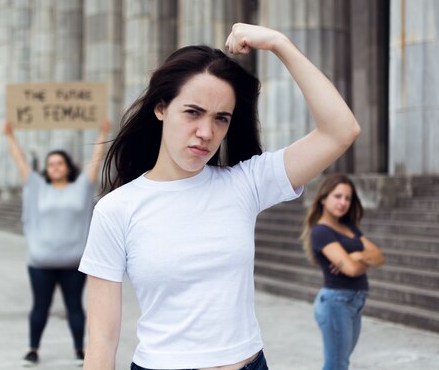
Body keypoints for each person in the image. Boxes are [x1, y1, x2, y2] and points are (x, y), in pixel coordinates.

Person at [78, 22, 362, 370]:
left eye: (221, 118)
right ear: (161, 108)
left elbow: (340, 130)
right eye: (193, 112)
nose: (206, 132)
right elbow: (102, 341)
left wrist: (280, 44)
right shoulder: (116, 209)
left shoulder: (244, 183)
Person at [3, 120, 111, 366]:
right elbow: (20, 162)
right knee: (40, 306)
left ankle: (78, 349)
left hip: (73, 261)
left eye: (59, 162)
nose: (55, 167)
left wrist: (103, 132)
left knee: (75, 306)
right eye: (51, 164)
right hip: (41, 261)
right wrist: (10, 136)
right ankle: (33, 349)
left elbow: (95, 161)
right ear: (46, 169)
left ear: (67, 167)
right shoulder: (36, 187)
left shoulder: (81, 187)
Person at [301, 174, 385, 370]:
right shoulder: (321, 231)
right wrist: (361, 258)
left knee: (340, 362)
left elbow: (380, 257)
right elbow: (352, 270)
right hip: (336, 304)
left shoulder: (348, 227)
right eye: (338, 196)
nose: (343, 202)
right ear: (323, 198)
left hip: (354, 302)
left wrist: (356, 256)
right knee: (337, 365)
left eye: (348, 198)